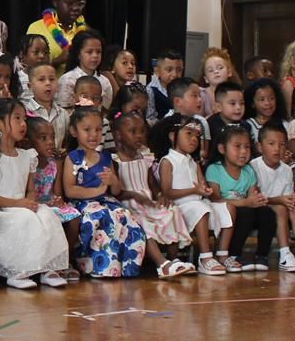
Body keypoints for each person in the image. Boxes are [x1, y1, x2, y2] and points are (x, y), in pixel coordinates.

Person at [0, 98, 71, 288]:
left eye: (24, 119)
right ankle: (18, 271)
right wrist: (19, 204)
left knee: (47, 216)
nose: (23, 124)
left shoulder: (27, 156)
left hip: (22, 206)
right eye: (17, 118)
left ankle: (47, 268)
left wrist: (31, 201)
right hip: (1, 209)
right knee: (23, 219)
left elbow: (30, 189)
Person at [61, 106, 145, 278]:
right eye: (87, 130)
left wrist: (113, 181)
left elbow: (115, 190)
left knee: (125, 216)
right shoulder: (73, 158)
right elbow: (70, 190)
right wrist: (97, 191)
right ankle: (99, 266)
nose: (94, 135)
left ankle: (125, 266)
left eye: (98, 130)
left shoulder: (106, 157)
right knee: (98, 216)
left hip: (107, 201)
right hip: (83, 203)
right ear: (74, 131)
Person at [111, 110, 193, 277]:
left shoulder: (145, 157)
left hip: (147, 203)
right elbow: (116, 192)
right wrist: (134, 195)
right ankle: (161, 263)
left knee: (171, 212)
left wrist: (160, 195)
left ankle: (173, 259)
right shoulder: (114, 160)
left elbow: (151, 183)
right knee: (141, 223)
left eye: (142, 131)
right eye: (132, 132)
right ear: (118, 135)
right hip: (129, 205)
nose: (139, 136)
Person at [158, 118, 230, 276]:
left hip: (197, 201)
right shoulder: (168, 161)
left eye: (197, 136)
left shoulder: (194, 162)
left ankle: (223, 254)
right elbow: (167, 192)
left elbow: (201, 185)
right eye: (189, 134)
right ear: (172, 135)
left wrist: (205, 190)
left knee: (226, 208)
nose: (193, 139)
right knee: (200, 209)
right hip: (179, 205)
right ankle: (205, 257)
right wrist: (194, 190)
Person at [205, 124, 273, 272]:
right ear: (222, 149)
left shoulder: (248, 171)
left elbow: (252, 195)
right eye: (237, 146)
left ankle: (262, 256)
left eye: (247, 147)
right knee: (245, 213)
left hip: (244, 207)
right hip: (223, 211)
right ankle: (233, 254)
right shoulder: (214, 169)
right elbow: (215, 199)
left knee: (267, 212)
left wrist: (257, 201)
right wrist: (246, 202)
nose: (243, 152)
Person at [251, 122, 295, 272]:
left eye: (282, 144)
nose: (277, 149)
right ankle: (285, 253)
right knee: (281, 208)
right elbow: (256, 197)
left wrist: (291, 200)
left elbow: (288, 196)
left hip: (280, 205)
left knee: (294, 209)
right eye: (271, 144)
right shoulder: (253, 167)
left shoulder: (286, 170)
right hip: (261, 209)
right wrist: (279, 200)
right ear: (260, 147)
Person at [25, 117, 82, 281]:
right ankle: (47, 263)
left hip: (50, 204)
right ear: (29, 141)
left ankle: (65, 259)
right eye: (43, 138)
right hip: (34, 206)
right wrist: (45, 204)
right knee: (47, 219)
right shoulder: (28, 163)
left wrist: (57, 201)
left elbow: (57, 194)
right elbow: (26, 194)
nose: (50, 142)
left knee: (73, 216)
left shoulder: (54, 164)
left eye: (52, 137)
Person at [25, 0, 88, 71]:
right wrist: (58, 60)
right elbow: (29, 68)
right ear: (55, 2)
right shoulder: (37, 28)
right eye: (70, 2)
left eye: (80, 4)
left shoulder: (85, 31)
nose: (76, 8)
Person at [57, 29, 112, 110]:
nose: (95, 56)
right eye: (89, 52)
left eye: (98, 52)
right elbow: (64, 110)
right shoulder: (68, 79)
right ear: (78, 54)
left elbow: (105, 110)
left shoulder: (105, 82)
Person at [22, 61, 68, 148]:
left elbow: (66, 142)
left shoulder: (63, 114)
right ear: (30, 86)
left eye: (51, 79)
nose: (48, 83)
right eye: (41, 79)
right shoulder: (25, 112)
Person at [203, 80, 247, 162]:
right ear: (218, 107)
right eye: (233, 103)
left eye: (242, 103)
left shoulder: (245, 126)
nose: (238, 107)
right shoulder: (210, 125)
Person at [243, 77, 287, 151]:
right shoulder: (247, 125)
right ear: (252, 103)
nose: (267, 103)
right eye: (262, 99)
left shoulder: (285, 124)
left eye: (271, 98)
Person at [144, 49, 184, 124]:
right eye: (169, 70)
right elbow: (150, 119)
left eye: (179, 70)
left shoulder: (183, 89)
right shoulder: (151, 91)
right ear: (157, 71)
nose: (175, 74)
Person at [197, 47, 236, 118]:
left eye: (220, 68)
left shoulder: (237, 92)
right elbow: (199, 122)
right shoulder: (201, 95)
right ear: (206, 79)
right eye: (210, 70)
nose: (216, 72)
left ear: (229, 72)